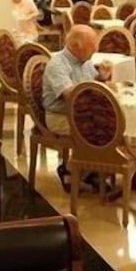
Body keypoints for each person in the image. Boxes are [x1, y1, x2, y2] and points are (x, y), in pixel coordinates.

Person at [43, 25, 112, 188]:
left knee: (110, 124)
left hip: (84, 114)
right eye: (92, 45)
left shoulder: (84, 61)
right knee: (101, 129)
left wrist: (101, 78)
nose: (96, 49)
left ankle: (90, 170)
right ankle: (70, 170)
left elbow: (92, 86)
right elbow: (71, 96)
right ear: (76, 46)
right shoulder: (57, 64)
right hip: (60, 116)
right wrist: (97, 90)